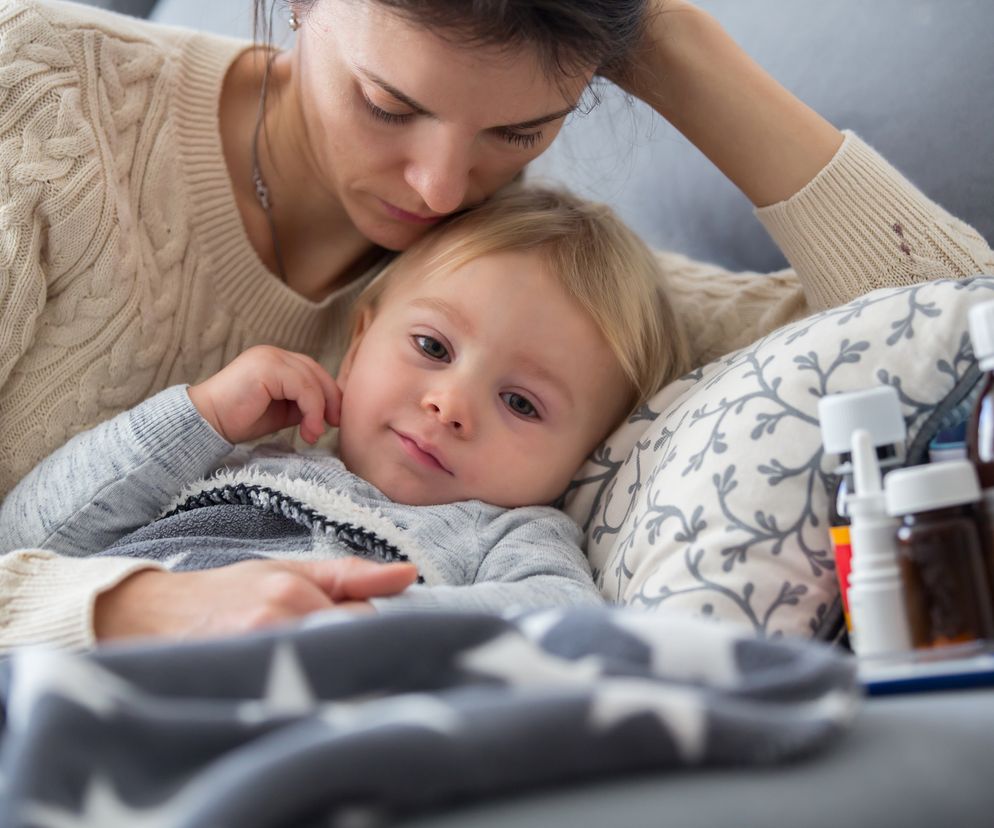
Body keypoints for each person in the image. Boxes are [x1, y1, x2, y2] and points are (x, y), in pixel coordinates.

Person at [1, 0, 991, 648]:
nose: (439, 187)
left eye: (519, 130)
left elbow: (954, 336)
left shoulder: (519, 279)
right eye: (387, 104)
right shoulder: (34, 95)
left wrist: (674, 48)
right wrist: (129, 609)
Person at [0, 185, 689, 624]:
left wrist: (348, 621)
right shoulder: (242, 456)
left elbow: (562, 626)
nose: (449, 404)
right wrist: (198, 417)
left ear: (585, 457)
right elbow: (27, 538)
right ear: (357, 347)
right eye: (432, 346)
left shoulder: (508, 536)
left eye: (520, 402)